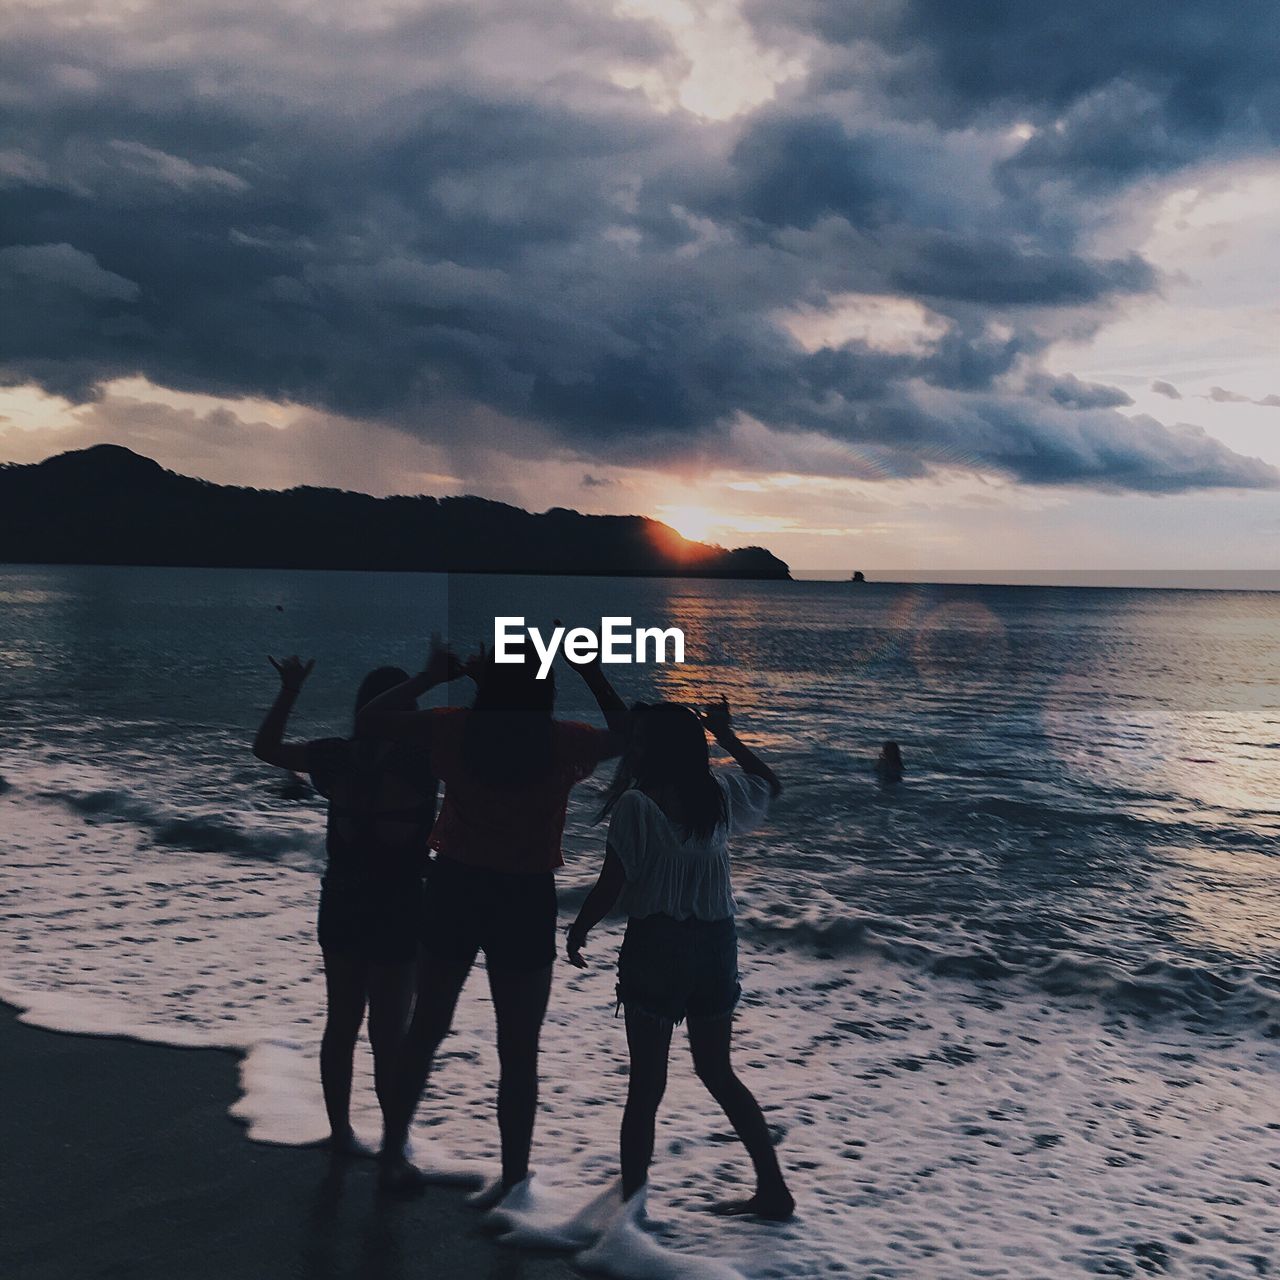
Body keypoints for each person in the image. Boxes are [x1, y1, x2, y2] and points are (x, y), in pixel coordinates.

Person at [356, 638, 626, 1196]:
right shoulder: (562, 741)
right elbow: (628, 738)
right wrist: (593, 673)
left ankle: (391, 1154)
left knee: (426, 1026)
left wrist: (434, 678)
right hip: (524, 896)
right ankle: (512, 1179)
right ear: (545, 688)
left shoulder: (454, 727)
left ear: (489, 684)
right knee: (519, 1049)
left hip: (455, 885)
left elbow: (372, 718)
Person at [566, 697, 795, 1221]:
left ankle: (631, 1211)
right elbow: (769, 782)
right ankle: (774, 1190)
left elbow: (612, 883)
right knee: (718, 1071)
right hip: (717, 946)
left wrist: (579, 928)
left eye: (642, 741)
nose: (634, 749)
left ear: (661, 750)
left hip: (660, 947)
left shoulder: (637, 805)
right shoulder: (717, 796)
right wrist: (727, 736)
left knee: (646, 1085)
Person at [252, 655, 444, 1155]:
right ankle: (393, 1147)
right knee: (390, 1036)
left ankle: (341, 1134)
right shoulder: (427, 761)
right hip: (399, 905)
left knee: (341, 1024)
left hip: (341, 901)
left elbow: (265, 748)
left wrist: (291, 689)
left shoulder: (337, 755)